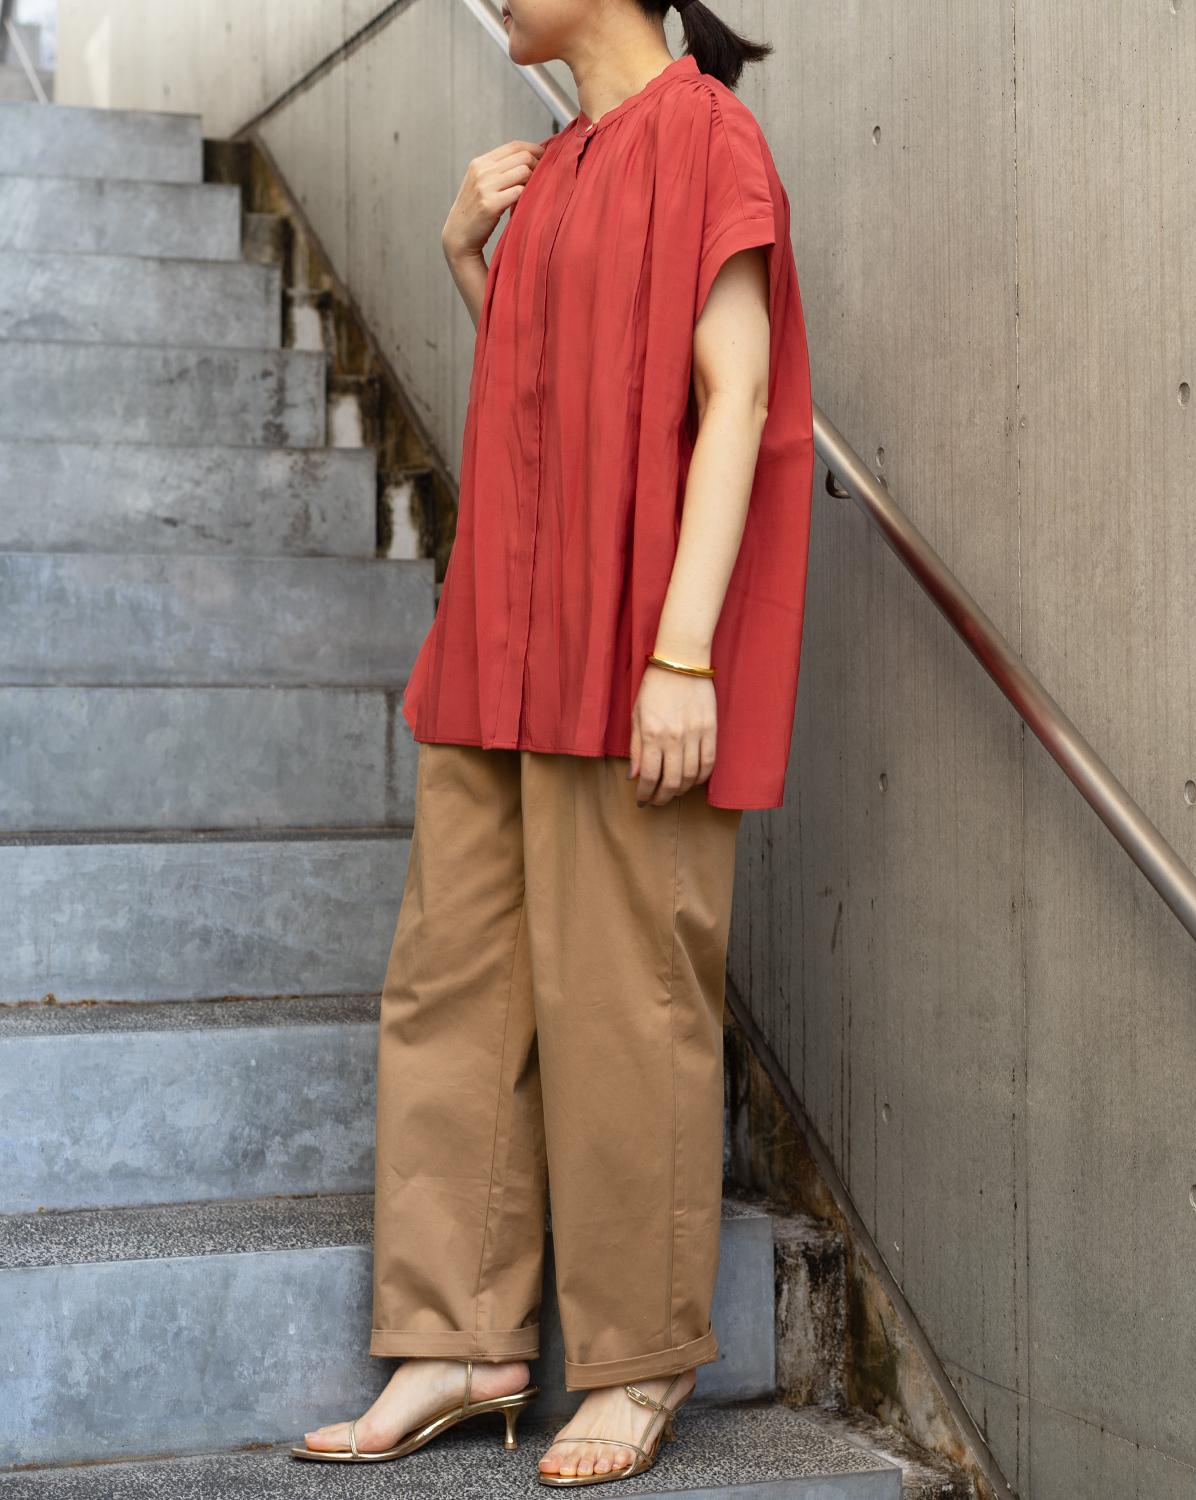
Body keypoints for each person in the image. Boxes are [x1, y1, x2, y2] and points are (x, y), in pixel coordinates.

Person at [293, 0, 813, 1486]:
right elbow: (562, 394)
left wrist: (684, 653)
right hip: (504, 635)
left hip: (626, 643)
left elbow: (735, 396)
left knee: (626, 996)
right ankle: (460, 1336)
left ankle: (640, 1363)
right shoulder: (561, 163)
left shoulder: (706, 135)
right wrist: (471, 261)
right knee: (452, 977)